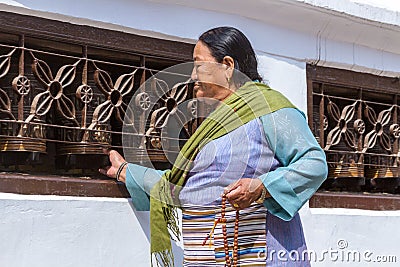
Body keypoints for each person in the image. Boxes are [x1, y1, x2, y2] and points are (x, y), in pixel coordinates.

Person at [100, 26, 328, 266]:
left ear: (227, 66)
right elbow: (188, 186)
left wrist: (261, 187)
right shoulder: (213, 126)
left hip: (262, 256)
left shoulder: (269, 110)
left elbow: (313, 163)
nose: (192, 76)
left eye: (198, 65)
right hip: (208, 257)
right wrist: (127, 172)